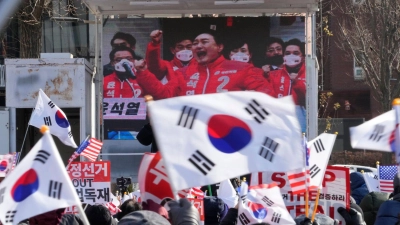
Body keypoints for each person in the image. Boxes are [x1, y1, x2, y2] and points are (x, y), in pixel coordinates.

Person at [134, 30, 275, 100]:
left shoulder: (242, 69)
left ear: (219, 47)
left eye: (204, 42)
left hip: (229, 137)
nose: (198, 46)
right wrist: (143, 72)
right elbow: (164, 94)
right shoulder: (184, 73)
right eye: (195, 43)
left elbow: (267, 96)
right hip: (194, 137)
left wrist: (247, 99)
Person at [269, 38, 306, 132]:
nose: (291, 56)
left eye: (296, 53)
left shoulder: (310, 75)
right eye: (288, 53)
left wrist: (297, 82)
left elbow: (310, 100)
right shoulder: (273, 75)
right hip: (279, 125)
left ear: (303, 57)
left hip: (301, 125)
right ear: (283, 56)